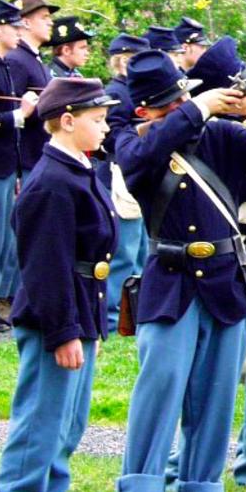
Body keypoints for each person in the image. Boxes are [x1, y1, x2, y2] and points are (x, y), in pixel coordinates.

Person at [115, 50, 246, 492]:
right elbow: (141, 159)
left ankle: (201, 484)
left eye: (183, 98)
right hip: (171, 281)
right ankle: (141, 484)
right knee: (159, 395)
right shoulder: (134, 142)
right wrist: (198, 107)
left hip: (225, 281)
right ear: (146, 111)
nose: (181, 108)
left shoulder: (218, 136)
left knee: (216, 401)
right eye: (171, 105)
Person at [0, 77, 119, 492]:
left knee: (67, 428)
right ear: (67, 120)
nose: (106, 127)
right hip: (56, 318)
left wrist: (89, 326)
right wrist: (64, 331)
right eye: (98, 119)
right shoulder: (51, 181)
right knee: (39, 429)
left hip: (79, 312)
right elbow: (46, 268)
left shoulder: (78, 169)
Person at [97, 33, 152, 332]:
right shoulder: (117, 94)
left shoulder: (130, 91)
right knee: (124, 254)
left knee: (140, 252)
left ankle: (134, 312)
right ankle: (111, 317)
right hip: (118, 176)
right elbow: (113, 138)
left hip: (135, 175)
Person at [0, 0, 36, 333]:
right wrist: (18, 115)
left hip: (7, 163)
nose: (19, 33)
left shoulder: (5, 66)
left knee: (4, 239)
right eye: (14, 26)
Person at [6, 0, 57, 172]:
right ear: (26, 22)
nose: (50, 22)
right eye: (44, 17)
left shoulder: (33, 59)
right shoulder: (16, 60)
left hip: (39, 158)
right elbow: (12, 115)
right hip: (26, 162)